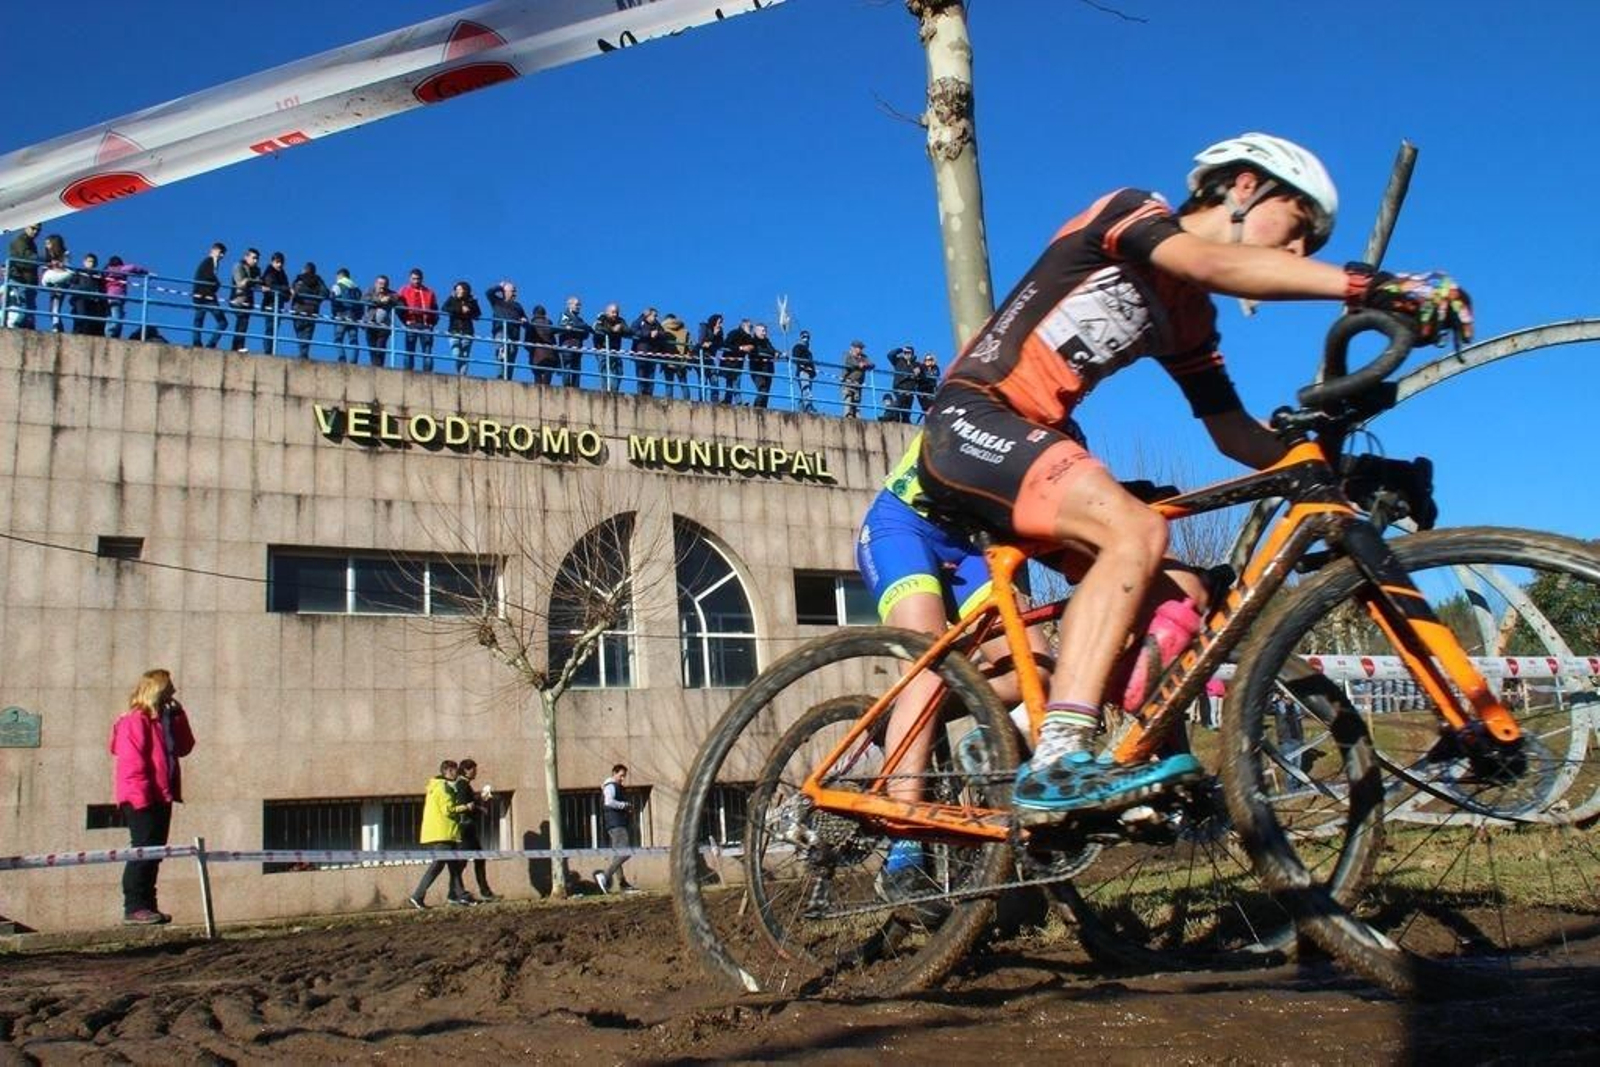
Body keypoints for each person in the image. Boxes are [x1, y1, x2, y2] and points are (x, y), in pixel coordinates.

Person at [915, 132, 1472, 821]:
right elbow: (1213, 261)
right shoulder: (1129, 213)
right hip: (972, 417)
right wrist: (1376, 285)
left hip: (1029, 444)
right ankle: (1060, 756)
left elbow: (1233, 434)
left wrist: (1347, 472)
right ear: (1245, 186)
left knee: (1182, 591)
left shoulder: (1190, 318)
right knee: (1135, 530)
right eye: (1297, 228)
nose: (1299, 252)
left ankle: (1097, 757)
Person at [108, 668, 196, 925]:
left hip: (161, 794)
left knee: (154, 852)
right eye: (169, 687)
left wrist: (179, 716)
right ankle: (134, 906)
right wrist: (142, 797)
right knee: (142, 850)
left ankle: (148, 904)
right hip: (142, 796)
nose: (174, 691)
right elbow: (132, 764)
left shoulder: (163, 722)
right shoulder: (135, 721)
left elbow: (184, 747)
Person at [407, 760, 477, 908]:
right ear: (449, 771)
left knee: (454, 866)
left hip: (442, 832)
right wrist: (465, 807)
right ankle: (417, 895)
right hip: (443, 832)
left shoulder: (436, 786)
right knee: (438, 865)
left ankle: (460, 895)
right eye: (455, 770)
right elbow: (447, 810)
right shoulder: (443, 787)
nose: (458, 773)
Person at [450, 758, 497, 901]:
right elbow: (464, 806)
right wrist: (479, 805)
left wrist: (479, 803)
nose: (475, 772)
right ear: (466, 770)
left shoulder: (463, 784)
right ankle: (454, 893)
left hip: (467, 827)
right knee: (463, 862)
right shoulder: (462, 784)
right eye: (473, 770)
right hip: (465, 828)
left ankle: (484, 891)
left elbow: (469, 804)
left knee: (477, 858)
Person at [593, 764, 635, 895]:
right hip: (617, 824)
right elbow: (609, 802)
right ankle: (605, 876)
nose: (623, 779)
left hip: (615, 823)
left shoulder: (614, 786)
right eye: (621, 775)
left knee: (618, 854)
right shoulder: (610, 786)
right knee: (626, 852)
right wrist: (624, 805)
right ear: (614, 773)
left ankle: (622, 883)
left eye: (624, 776)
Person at [397, 267, 439, 373]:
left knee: (427, 351)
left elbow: (435, 309)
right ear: (410, 279)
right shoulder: (403, 290)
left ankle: (428, 374)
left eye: (418, 279)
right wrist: (405, 321)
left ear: (422, 279)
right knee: (409, 350)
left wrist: (432, 323)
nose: (416, 281)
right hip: (411, 323)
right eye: (414, 279)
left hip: (426, 325)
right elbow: (399, 308)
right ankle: (408, 373)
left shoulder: (429, 292)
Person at [485, 281, 527, 381]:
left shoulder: (518, 306)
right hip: (501, 331)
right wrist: (499, 286)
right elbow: (488, 293)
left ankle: (508, 379)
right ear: (505, 291)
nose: (515, 294)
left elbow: (525, 320)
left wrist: (524, 320)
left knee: (511, 356)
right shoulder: (496, 301)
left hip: (514, 334)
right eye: (513, 291)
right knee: (502, 351)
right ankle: (500, 376)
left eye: (515, 291)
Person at [190, 242, 228, 349]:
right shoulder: (210, 261)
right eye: (221, 252)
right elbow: (209, 276)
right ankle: (210, 344)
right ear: (214, 250)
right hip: (208, 297)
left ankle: (197, 343)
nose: (222, 256)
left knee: (199, 320)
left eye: (223, 254)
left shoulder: (207, 262)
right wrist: (217, 284)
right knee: (222, 322)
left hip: (199, 296)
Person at [102, 256, 149, 340]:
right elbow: (133, 267)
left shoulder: (106, 271)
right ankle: (110, 335)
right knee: (117, 317)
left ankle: (111, 334)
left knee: (113, 316)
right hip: (117, 296)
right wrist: (146, 272)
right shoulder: (121, 269)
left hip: (109, 296)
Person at [5, 223, 42, 329]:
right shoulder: (20, 240)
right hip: (20, 279)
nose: (35, 231)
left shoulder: (31, 243)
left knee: (29, 309)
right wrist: (43, 258)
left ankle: (28, 328)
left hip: (28, 281)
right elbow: (27, 259)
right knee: (22, 306)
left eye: (38, 230)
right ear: (26, 226)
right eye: (33, 228)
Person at [289, 261, 329, 358]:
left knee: (299, 332)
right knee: (308, 333)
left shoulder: (299, 279)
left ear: (304, 269)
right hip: (312, 310)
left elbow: (293, 292)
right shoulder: (318, 281)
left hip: (298, 309)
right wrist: (317, 302)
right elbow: (325, 293)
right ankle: (304, 354)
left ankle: (302, 353)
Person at [443, 281, 481, 375]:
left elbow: (477, 315)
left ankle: (462, 375)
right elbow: (444, 308)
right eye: (456, 289)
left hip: (467, 331)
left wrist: (469, 310)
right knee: (456, 354)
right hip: (454, 330)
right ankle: (458, 373)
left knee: (465, 355)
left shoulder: (472, 301)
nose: (458, 291)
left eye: (460, 289)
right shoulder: (452, 299)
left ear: (465, 290)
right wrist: (460, 309)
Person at [227, 248, 261, 353]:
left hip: (247, 301)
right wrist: (251, 281)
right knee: (242, 320)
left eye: (257, 259)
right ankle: (238, 346)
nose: (256, 261)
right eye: (253, 258)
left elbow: (258, 283)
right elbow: (241, 283)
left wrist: (253, 282)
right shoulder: (239, 266)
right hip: (237, 299)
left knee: (243, 323)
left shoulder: (256, 270)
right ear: (246, 257)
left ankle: (236, 347)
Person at [592, 302, 631, 392]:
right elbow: (597, 328)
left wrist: (620, 327)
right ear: (607, 312)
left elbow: (629, 331)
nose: (615, 314)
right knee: (605, 371)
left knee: (619, 372)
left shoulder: (620, 321)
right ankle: (606, 391)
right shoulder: (601, 319)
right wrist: (612, 329)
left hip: (615, 351)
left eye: (616, 312)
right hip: (602, 349)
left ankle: (614, 391)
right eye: (613, 312)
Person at [363, 274, 401, 367]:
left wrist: (389, 300)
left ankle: (379, 366)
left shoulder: (392, 294)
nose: (382, 286)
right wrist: (379, 300)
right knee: (372, 348)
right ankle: (375, 366)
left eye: (384, 284)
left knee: (380, 347)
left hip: (384, 326)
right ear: (376, 284)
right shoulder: (370, 291)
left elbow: (399, 302)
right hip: (370, 324)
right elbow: (365, 299)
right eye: (380, 284)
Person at [69, 253, 109, 336]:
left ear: (96, 264)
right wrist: (83, 291)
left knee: (94, 322)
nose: (91, 263)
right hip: (81, 299)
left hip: (94, 301)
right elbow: (72, 286)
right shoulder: (78, 272)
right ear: (84, 262)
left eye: (93, 262)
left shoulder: (98, 275)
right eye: (89, 261)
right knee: (80, 319)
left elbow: (102, 288)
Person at [39, 234, 73, 333]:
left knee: (55, 307)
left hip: (61, 282)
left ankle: (57, 328)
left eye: (48, 243)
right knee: (53, 308)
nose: (46, 246)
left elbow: (67, 268)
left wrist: (58, 265)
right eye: (46, 244)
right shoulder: (48, 256)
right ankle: (58, 327)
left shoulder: (65, 254)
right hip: (52, 283)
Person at [631, 306, 667, 397]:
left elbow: (664, 334)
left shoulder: (656, 324)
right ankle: (641, 395)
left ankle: (649, 395)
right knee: (641, 376)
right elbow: (633, 331)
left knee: (651, 377)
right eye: (654, 315)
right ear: (648, 315)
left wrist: (657, 334)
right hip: (641, 354)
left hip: (652, 354)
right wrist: (649, 334)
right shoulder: (639, 322)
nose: (656, 317)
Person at [259, 252, 291, 354]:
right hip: (270, 304)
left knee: (274, 328)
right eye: (277, 262)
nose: (279, 264)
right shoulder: (269, 272)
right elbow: (271, 286)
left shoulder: (282, 274)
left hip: (278, 305)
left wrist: (286, 291)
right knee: (270, 328)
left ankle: (270, 350)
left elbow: (287, 292)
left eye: (281, 262)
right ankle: (268, 351)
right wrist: (285, 289)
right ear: (272, 262)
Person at [554, 296, 590, 388]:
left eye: (579, 305)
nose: (578, 307)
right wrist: (581, 327)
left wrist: (575, 327)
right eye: (577, 305)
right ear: (569, 305)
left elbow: (586, 333)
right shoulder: (565, 315)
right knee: (567, 366)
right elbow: (563, 327)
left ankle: (576, 387)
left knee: (577, 368)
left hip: (578, 347)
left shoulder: (580, 320)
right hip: (567, 346)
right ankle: (566, 387)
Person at [329, 268, 363, 362]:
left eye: (337, 276)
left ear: (340, 275)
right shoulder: (356, 289)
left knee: (338, 339)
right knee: (354, 339)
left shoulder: (337, 285)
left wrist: (334, 312)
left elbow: (333, 299)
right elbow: (361, 304)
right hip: (354, 316)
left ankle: (342, 358)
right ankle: (354, 360)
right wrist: (359, 317)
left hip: (341, 314)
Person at [720, 318, 755, 405]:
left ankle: (728, 400)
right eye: (749, 326)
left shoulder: (749, 337)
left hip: (738, 363)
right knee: (734, 382)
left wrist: (751, 347)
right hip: (728, 362)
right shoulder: (734, 333)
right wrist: (741, 348)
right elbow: (726, 344)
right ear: (743, 326)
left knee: (733, 383)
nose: (751, 328)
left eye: (751, 327)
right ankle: (737, 402)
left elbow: (753, 346)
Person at [660, 312, 692, 401]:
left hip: (668, 360)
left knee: (669, 384)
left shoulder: (662, 329)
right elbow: (691, 346)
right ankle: (687, 402)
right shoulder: (685, 331)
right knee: (684, 383)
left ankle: (669, 401)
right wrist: (687, 358)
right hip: (681, 361)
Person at [883, 344, 918, 423]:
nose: (906, 354)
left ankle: (906, 421)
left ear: (912, 354)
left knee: (907, 410)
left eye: (909, 352)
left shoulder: (915, 364)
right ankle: (890, 418)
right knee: (899, 405)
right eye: (905, 352)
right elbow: (890, 355)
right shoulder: (898, 361)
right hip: (900, 387)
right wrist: (901, 349)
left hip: (910, 390)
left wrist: (918, 371)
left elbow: (921, 372)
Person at [749, 323, 779, 409]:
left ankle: (763, 410)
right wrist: (770, 353)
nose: (765, 333)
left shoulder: (767, 342)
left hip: (768, 370)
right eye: (763, 331)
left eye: (765, 331)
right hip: (757, 369)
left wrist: (777, 353)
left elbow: (772, 350)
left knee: (766, 393)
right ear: (756, 331)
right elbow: (757, 351)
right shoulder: (752, 341)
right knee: (762, 389)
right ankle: (756, 408)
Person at [526, 304, 558, 385]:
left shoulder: (531, 324)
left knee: (537, 375)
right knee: (548, 372)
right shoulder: (549, 323)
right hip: (550, 353)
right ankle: (546, 388)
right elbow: (553, 340)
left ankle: (538, 388)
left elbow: (527, 341)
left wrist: (530, 350)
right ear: (544, 314)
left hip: (536, 354)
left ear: (534, 314)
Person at [696, 313, 725, 402]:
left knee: (714, 379)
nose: (720, 324)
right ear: (714, 321)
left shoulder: (720, 331)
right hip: (700, 357)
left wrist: (715, 336)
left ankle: (715, 400)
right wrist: (713, 335)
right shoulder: (704, 327)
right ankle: (702, 400)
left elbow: (720, 344)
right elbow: (701, 341)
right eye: (719, 322)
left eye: (721, 322)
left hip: (710, 358)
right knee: (703, 380)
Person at [840, 340, 872, 418]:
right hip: (848, 381)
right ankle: (848, 415)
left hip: (858, 383)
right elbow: (849, 363)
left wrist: (865, 364)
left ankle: (857, 416)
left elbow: (872, 364)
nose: (860, 350)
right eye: (859, 348)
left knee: (857, 399)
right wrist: (858, 364)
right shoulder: (847, 355)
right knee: (848, 397)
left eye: (861, 348)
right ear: (853, 348)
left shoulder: (864, 357)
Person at [791, 329, 818, 414]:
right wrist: (802, 365)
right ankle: (808, 406)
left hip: (809, 373)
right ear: (801, 337)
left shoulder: (809, 352)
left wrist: (813, 371)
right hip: (802, 371)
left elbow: (811, 363)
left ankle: (803, 407)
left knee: (807, 389)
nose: (806, 338)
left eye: (807, 337)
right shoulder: (797, 347)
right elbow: (795, 358)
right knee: (806, 388)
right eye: (804, 336)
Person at [913, 351, 941, 421]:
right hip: (923, 390)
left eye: (930, 359)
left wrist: (933, 365)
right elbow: (917, 370)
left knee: (933, 406)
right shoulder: (922, 366)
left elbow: (937, 375)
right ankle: (928, 421)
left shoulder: (935, 368)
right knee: (926, 407)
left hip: (931, 390)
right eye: (926, 360)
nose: (928, 361)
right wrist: (917, 371)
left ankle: (932, 421)